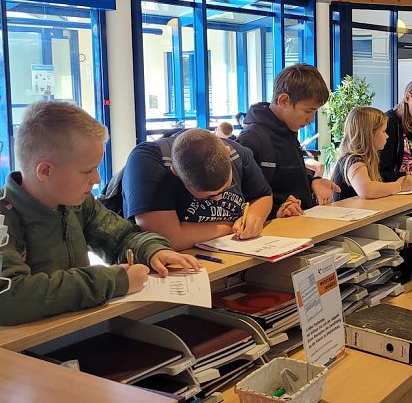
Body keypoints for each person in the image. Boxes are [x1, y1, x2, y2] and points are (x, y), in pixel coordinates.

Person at [0, 101, 201, 325]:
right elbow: (10, 297)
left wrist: (152, 251)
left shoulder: (77, 202)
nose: (96, 179)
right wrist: (114, 281)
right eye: (87, 170)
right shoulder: (5, 217)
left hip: (76, 330)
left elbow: (123, 237)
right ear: (45, 170)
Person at [121, 128, 273, 250]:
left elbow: (262, 195)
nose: (218, 198)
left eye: (224, 189)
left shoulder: (237, 153)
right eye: (206, 196)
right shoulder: (149, 162)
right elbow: (165, 239)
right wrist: (231, 225)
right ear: (175, 171)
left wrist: (254, 216)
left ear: (227, 153)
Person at [237, 64, 340, 218]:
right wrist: (277, 211)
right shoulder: (251, 139)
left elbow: (287, 178)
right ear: (284, 100)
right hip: (271, 235)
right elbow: (242, 199)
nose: (311, 119)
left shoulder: (288, 130)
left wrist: (313, 181)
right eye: (308, 111)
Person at [332, 107, 412, 201]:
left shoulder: (367, 159)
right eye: (383, 131)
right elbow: (367, 190)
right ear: (369, 134)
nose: (387, 136)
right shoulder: (353, 160)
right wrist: (399, 186)